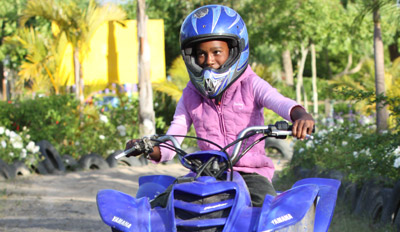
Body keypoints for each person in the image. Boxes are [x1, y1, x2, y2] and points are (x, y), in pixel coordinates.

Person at [126, 4, 314, 207]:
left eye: (217, 52)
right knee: (159, 210)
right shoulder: (191, 93)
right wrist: (148, 149)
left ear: (234, 51)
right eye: (201, 54)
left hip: (250, 174)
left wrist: (300, 115)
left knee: (269, 213)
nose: (209, 60)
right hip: (204, 173)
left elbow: (278, 100)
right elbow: (175, 135)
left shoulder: (250, 84)